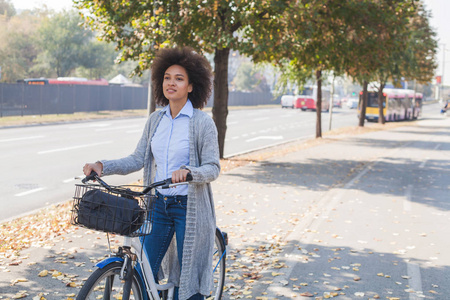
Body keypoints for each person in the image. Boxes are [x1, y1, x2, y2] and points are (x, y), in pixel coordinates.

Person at [82, 47, 220, 300]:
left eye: (179, 78)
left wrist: (190, 172)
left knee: (185, 281)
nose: (171, 83)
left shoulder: (201, 122)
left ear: (191, 86)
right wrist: (103, 166)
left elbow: (213, 167)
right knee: (144, 272)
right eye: (167, 77)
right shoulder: (156, 120)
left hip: (189, 206)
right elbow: (137, 159)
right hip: (158, 205)